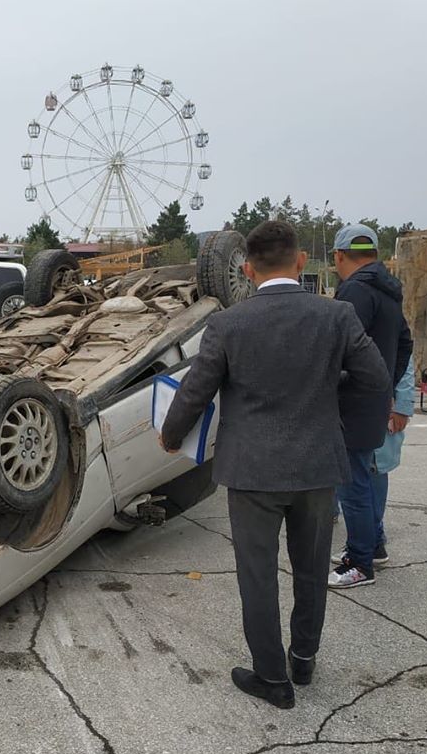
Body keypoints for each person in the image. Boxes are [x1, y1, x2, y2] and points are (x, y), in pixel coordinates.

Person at [160, 221, 389, 709]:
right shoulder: (338, 315)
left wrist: (170, 435)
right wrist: (326, 395)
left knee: (258, 576)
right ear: (301, 261)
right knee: (310, 571)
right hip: (317, 467)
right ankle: (303, 661)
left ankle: (271, 678)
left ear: (247, 268)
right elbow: (376, 380)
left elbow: (196, 392)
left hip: (252, 472)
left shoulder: (228, 324)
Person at [328, 224, 413, 589]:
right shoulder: (389, 292)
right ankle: (373, 545)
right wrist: (388, 386)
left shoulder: (355, 291)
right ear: (375, 254)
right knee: (364, 475)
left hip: (354, 403)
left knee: (354, 484)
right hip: (374, 401)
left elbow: (340, 348)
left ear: (338, 256)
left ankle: (360, 563)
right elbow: (406, 343)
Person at [332, 357, 414, 566]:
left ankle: (373, 542)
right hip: (353, 410)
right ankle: (369, 540)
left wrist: (402, 407)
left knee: (374, 469)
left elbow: (405, 362)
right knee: (348, 470)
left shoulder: (387, 325)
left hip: (379, 409)